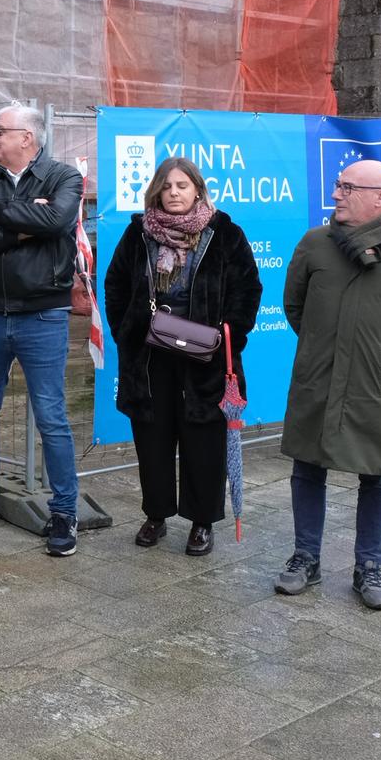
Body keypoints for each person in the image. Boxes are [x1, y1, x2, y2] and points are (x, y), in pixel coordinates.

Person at [274, 158, 381, 610]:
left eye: (347, 187)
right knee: (307, 467)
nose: (336, 194)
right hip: (319, 378)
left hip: (378, 385)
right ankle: (305, 557)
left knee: (378, 474)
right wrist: (325, 350)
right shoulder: (315, 244)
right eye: (338, 185)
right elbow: (295, 306)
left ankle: (370, 566)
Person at [102, 157, 262, 557]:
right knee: (152, 440)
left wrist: (227, 338)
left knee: (203, 442)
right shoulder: (139, 233)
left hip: (205, 359)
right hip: (150, 358)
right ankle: (156, 515)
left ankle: (202, 522)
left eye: (182, 186)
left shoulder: (224, 233)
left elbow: (248, 288)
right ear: (156, 191)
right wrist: (126, 333)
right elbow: (116, 284)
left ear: (198, 190)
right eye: (167, 186)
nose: (173, 193)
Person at [0, 104, 85, 554]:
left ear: (26, 137)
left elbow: (57, 221)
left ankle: (64, 511)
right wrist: (22, 225)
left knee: (51, 416)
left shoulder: (63, 177)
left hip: (43, 315)